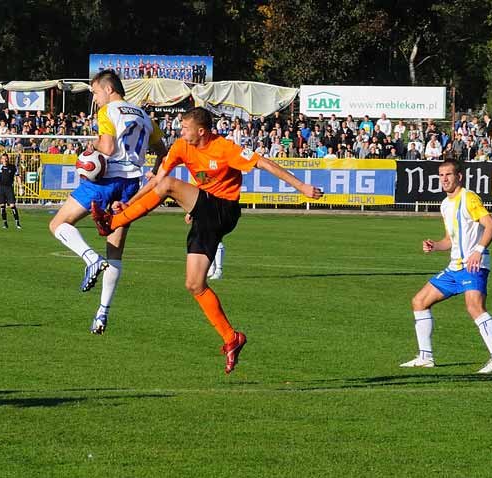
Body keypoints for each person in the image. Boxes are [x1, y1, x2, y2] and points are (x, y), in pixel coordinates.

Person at [90, 107, 323, 373]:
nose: (181, 131)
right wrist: (128, 203)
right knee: (194, 283)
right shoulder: (180, 147)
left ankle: (111, 224)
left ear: (201, 131)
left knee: (170, 187)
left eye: (185, 127)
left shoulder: (224, 148)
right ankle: (231, 337)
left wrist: (302, 187)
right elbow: (157, 181)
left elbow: (265, 163)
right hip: (204, 213)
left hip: (225, 210)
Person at [48, 69, 167, 335]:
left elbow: (109, 148)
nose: (95, 99)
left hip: (106, 180)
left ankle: (90, 259)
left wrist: (90, 150)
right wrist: (156, 174)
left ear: (109, 89)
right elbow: (163, 151)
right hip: (130, 187)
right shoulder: (145, 116)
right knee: (115, 252)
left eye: (95, 93)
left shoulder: (108, 112)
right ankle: (102, 313)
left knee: (58, 224)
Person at [400, 159, 492, 374]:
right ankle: (425, 357)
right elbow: (451, 239)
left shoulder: (468, 198)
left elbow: (491, 225)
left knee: (474, 307)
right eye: (441, 175)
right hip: (454, 268)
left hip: (472, 266)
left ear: (459, 176)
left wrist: (478, 250)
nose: (444, 179)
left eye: (448, 175)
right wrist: (435, 245)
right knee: (419, 301)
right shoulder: (445, 204)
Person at [0, 153, 22, 229]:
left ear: (8, 159)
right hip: (1, 188)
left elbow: (17, 176)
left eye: (6, 158)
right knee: (2, 206)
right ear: (1, 160)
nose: (5, 160)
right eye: (3, 158)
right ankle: (5, 223)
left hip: (9, 188)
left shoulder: (13, 167)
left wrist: (20, 187)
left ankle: (17, 223)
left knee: (12, 206)